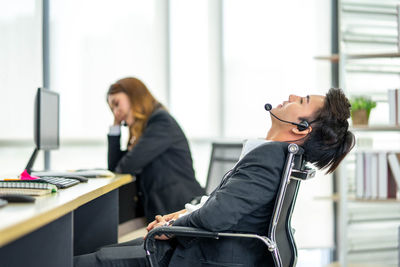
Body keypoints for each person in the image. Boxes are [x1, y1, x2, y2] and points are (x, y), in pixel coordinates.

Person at [75, 88, 355, 267]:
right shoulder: (277, 157)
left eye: (302, 100)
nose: (293, 95)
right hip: (201, 246)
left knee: (79, 261)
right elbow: (223, 207)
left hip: (196, 255)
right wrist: (177, 219)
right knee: (101, 251)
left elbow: (215, 218)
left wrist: (173, 226)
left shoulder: (268, 159)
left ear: (301, 127)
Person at [107, 77, 205, 222]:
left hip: (180, 211)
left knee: (113, 235)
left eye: (117, 104)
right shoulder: (146, 129)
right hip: (162, 212)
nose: (116, 113)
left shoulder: (160, 122)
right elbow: (115, 166)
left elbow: (126, 166)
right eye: (112, 109)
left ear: (134, 95)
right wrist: (115, 126)